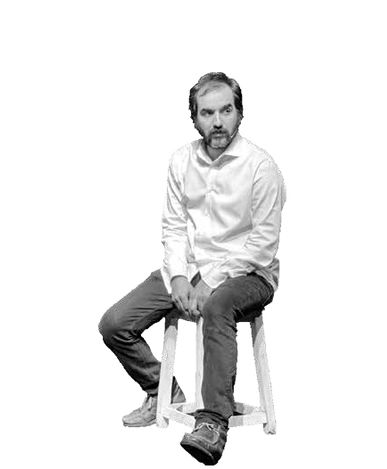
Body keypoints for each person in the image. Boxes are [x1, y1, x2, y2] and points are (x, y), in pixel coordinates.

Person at [98, 72, 286, 465]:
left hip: (251, 274)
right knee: (115, 323)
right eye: (207, 113)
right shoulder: (181, 160)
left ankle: (212, 422)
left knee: (217, 305)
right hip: (192, 267)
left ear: (239, 114)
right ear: (195, 118)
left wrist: (211, 282)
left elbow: (263, 245)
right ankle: (162, 390)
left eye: (226, 111)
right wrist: (180, 276)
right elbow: (173, 227)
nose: (217, 122)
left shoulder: (261, 167)